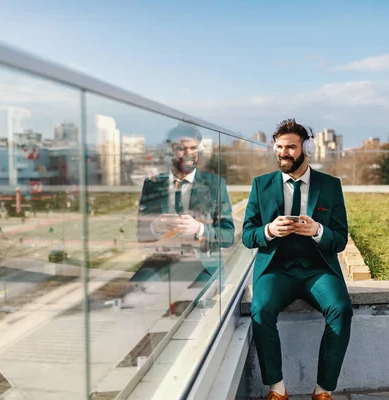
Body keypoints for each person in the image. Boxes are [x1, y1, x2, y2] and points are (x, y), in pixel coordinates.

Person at [242, 119, 352, 400]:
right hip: (276, 269)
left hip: (318, 269)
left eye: (291, 147)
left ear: (307, 148)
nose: (283, 153)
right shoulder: (260, 185)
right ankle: (277, 389)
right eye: (279, 147)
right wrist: (269, 230)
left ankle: (323, 390)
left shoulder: (330, 186)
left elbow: (339, 239)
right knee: (261, 308)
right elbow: (247, 236)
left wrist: (318, 231)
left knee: (341, 308)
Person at [135, 122, 235, 285]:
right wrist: (155, 226)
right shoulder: (152, 184)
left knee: (190, 302)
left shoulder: (215, 184)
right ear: (170, 151)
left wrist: (200, 229)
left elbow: (228, 236)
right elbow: (141, 234)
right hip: (161, 262)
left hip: (203, 265)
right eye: (181, 148)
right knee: (134, 293)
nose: (188, 153)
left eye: (193, 148)